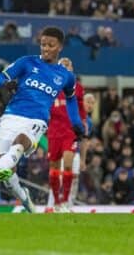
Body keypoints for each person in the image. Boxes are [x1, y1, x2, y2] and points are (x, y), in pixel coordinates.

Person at [0, 26, 85, 213]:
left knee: (21, 140)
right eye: (43, 44)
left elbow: (71, 100)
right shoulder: (26, 62)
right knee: (9, 175)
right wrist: (7, 83)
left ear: (60, 47)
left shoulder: (65, 76)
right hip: (11, 116)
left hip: (37, 120)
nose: (45, 48)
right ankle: (24, 197)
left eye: (50, 45)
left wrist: (76, 123)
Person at [45, 58, 88, 213]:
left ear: (72, 68)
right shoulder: (50, 87)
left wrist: (83, 122)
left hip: (69, 131)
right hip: (53, 131)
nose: (65, 67)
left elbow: (81, 108)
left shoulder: (78, 88)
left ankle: (65, 202)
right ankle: (56, 203)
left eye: (68, 65)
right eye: (62, 65)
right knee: (54, 167)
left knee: (68, 164)